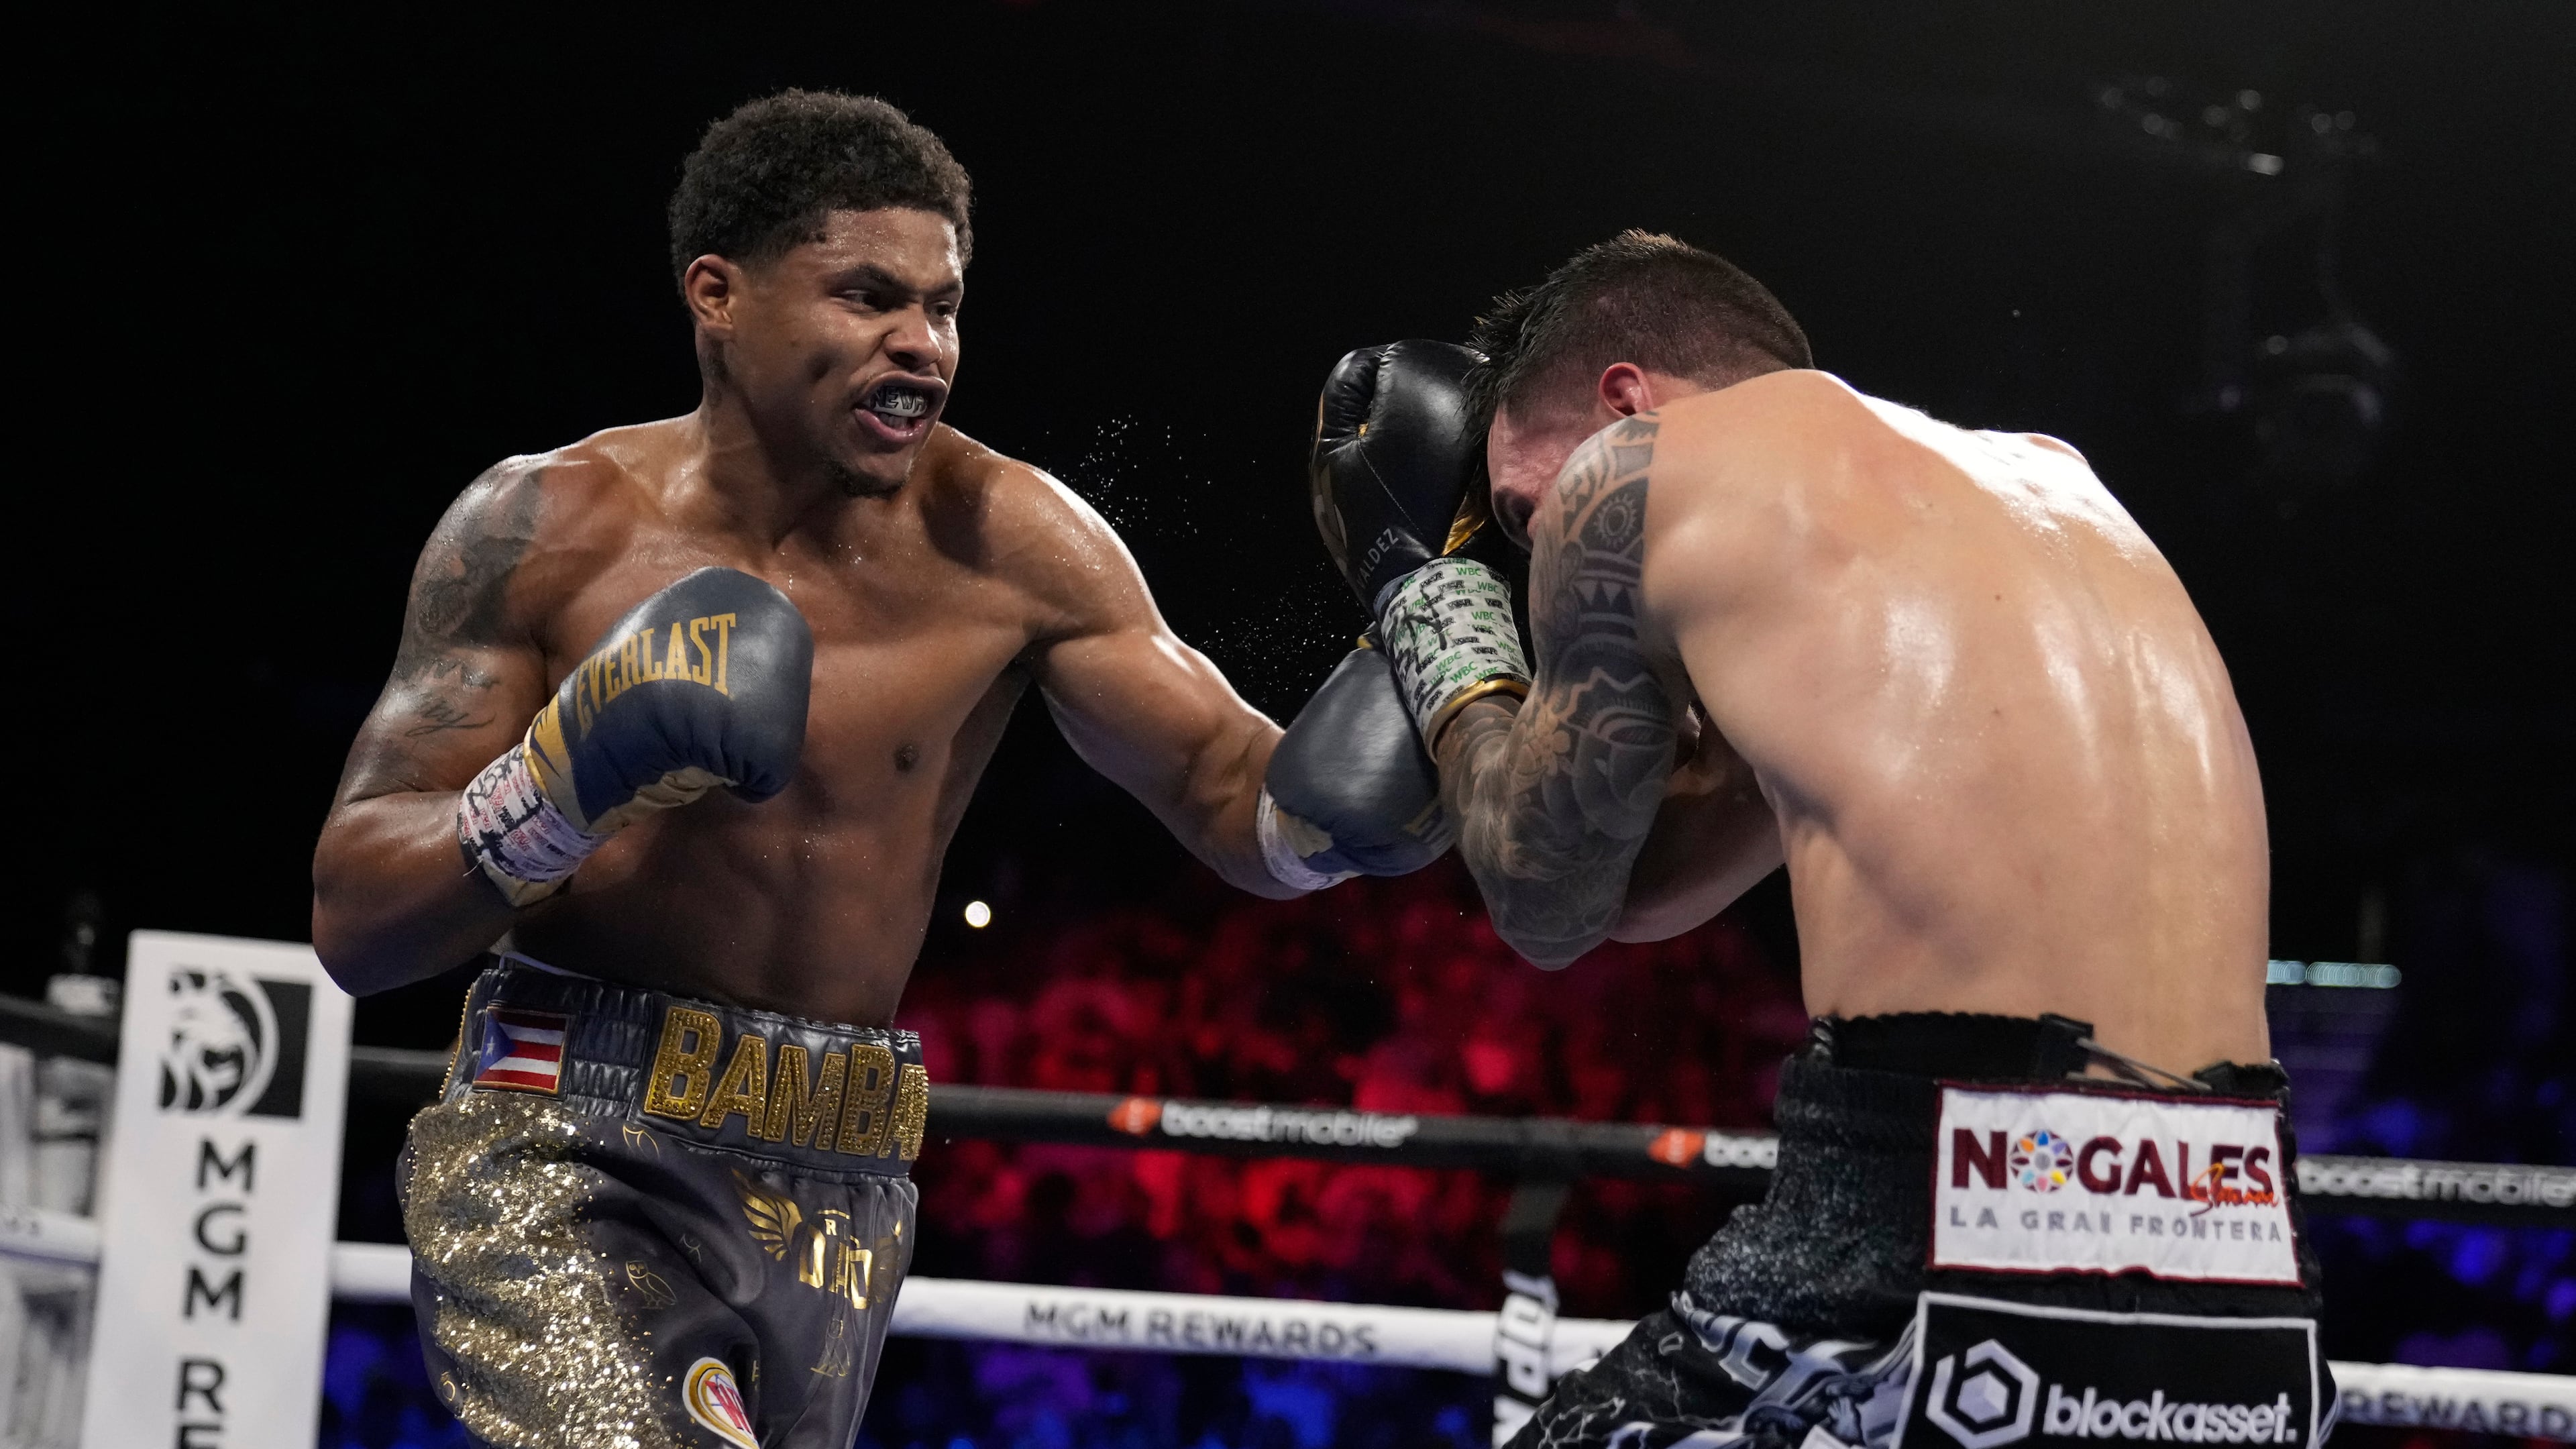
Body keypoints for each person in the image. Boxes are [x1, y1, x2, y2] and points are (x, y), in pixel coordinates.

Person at [311, 91, 1444, 1449]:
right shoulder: (549, 528)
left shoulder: (1010, 539)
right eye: (866, 297)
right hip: (566, 1141)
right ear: (716, 297)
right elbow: (357, 921)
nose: (923, 346)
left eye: (944, 305)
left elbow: (1234, 797)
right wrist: (562, 782)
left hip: (838, 1173)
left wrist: (1393, 752)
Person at [1311, 232, 2330, 1448]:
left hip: (1943, 1220)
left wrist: (1444, 635)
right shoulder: (2052, 487)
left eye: (1525, 520)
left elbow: (1545, 897)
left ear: (1624, 402)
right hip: (2242, 1255)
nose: (1536, 564)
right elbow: (1635, 895)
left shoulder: (1628, 481)